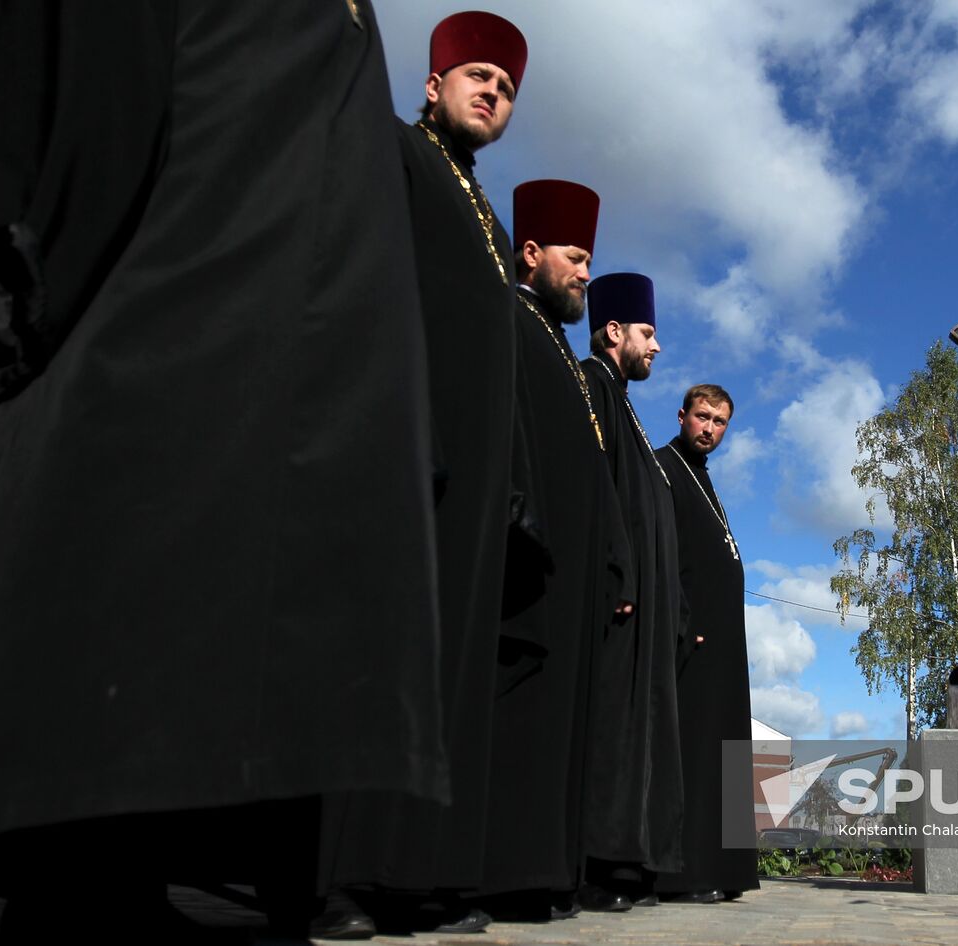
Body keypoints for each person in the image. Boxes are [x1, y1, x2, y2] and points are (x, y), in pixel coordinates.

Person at [0, 2, 445, 937]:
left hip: (287, 268)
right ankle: (79, 877)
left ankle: (129, 873)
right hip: (187, 217)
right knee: (128, 537)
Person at [319, 12, 526, 936]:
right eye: (477, 74)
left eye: (508, 86)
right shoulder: (397, 156)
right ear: (434, 83)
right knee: (381, 654)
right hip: (405, 438)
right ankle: (344, 880)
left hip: (473, 472)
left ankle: (424, 875)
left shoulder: (485, 205)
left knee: (451, 674)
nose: (492, 92)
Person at [469, 178, 632, 920]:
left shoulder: (562, 349)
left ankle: (543, 871)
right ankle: (507, 873)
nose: (585, 274)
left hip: (569, 574)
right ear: (530, 253)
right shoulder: (506, 316)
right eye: (576, 257)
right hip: (525, 560)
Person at [580, 273, 685, 909]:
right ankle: (602, 863)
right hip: (617, 600)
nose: (657, 346)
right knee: (613, 731)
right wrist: (621, 569)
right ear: (615, 331)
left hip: (643, 607)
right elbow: (599, 489)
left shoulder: (622, 400)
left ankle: (631, 861)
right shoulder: (593, 385)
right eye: (648, 333)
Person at [654, 385, 759, 903]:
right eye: (702, 417)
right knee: (693, 752)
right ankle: (687, 873)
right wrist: (682, 618)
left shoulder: (702, 477)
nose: (709, 429)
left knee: (726, 749)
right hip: (688, 635)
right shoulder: (662, 468)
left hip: (722, 642)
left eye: (720, 422)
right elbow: (662, 554)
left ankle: (727, 868)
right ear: (682, 416)